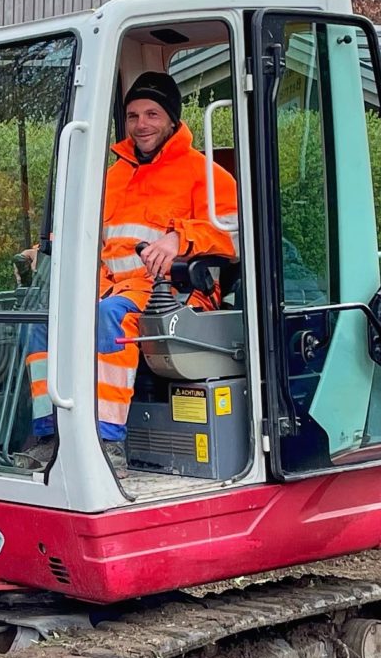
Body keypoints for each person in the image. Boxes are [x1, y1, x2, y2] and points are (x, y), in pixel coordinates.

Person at [26, 71, 238, 453]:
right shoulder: (111, 176)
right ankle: (47, 435)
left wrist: (181, 238)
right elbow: (87, 231)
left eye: (152, 114)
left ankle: (107, 443)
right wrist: (46, 249)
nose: (141, 125)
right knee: (42, 325)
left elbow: (236, 236)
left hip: (174, 292)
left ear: (173, 119)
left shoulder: (205, 174)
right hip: (110, 287)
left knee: (110, 317)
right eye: (133, 115)